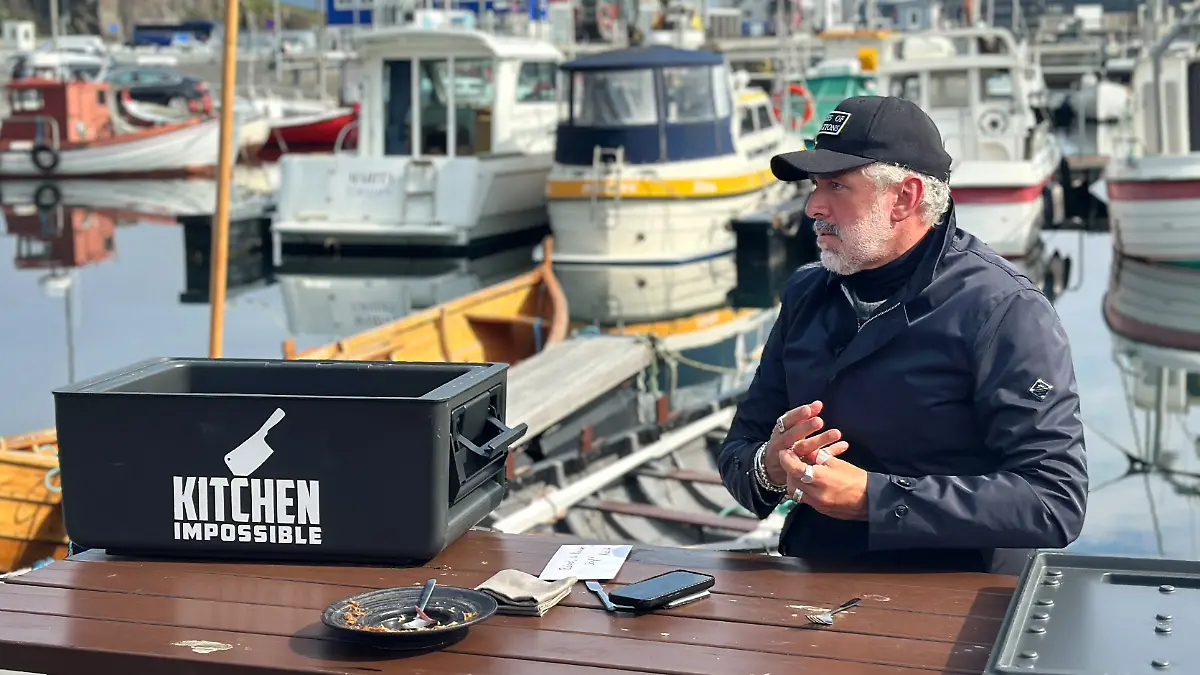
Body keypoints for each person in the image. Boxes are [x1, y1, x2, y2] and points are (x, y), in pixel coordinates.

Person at [716, 95, 1088, 575]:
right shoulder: (806, 292)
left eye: (836, 185)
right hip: (812, 591)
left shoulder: (1005, 310)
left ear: (905, 198)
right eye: (814, 185)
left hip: (961, 605)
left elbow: (1053, 500)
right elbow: (738, 451)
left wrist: (874, 499)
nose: (812, 206)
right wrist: (771, 465)